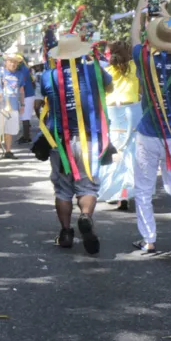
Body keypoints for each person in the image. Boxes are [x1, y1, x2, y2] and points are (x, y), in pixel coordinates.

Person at [41, 34, 113, 254]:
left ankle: (65, 233)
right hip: (88, 140)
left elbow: (43, 100)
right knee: (87, 186)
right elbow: (108, 89)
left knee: (63, 189)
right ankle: (85, 217)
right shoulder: (95, 71)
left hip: (59, 141)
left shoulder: (48, 76)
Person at [130, 0, 171, 256]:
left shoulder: (142, 57)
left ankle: (149, 240)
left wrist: (139, 13)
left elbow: (135, 39)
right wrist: (166, 14)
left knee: (143, 190)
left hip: (148, 136)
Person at [98, 40, 141, 211]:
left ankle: (114, 192)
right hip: (133, 110)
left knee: (114, 151)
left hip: (112, 113)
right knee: (131, 153)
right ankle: (126, 192)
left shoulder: (105, 70)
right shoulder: (136, 67)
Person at [0, 54, 25, 159]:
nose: (13, 64)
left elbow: (21, 90)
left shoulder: (19, 74)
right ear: (6, 62)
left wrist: (22, 104)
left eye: (15, 62)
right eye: (11, 61)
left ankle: (8, 151)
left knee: (10, 129)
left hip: (13, 106)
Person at [17, 57, 36, 144]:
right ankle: (26, 135)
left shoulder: (23, 70)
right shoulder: (24, 68)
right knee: (24, 116)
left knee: (25, 116)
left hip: (27, 95)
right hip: (28, 94)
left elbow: (22, 84)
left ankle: (26, 137)